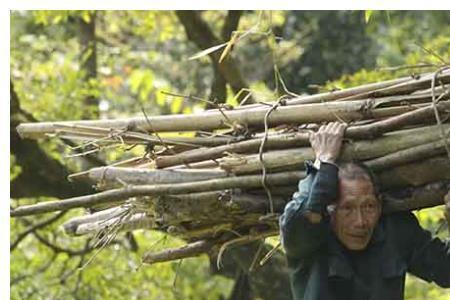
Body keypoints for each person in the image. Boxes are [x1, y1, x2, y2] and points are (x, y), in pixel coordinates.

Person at [279, 122, 450, 300]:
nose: (360, 221)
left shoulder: (396, 229)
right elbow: (305, 212)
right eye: (347, 208)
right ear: (329, 210)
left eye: (369, 206)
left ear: (380, 205)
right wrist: (324, 160)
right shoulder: (307, 239)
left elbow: (446, 271)